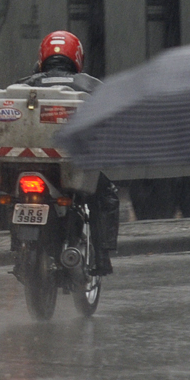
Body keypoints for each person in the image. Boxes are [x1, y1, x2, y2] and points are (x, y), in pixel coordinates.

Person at [17, 31, 116, 270]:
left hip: (27, 163)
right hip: (71, 167)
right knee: (106, 195)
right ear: (77, 57)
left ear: (42, 57)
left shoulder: (23, 85)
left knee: (15, 199)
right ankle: (101, 258)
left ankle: (18, 249)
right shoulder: (89, 85)